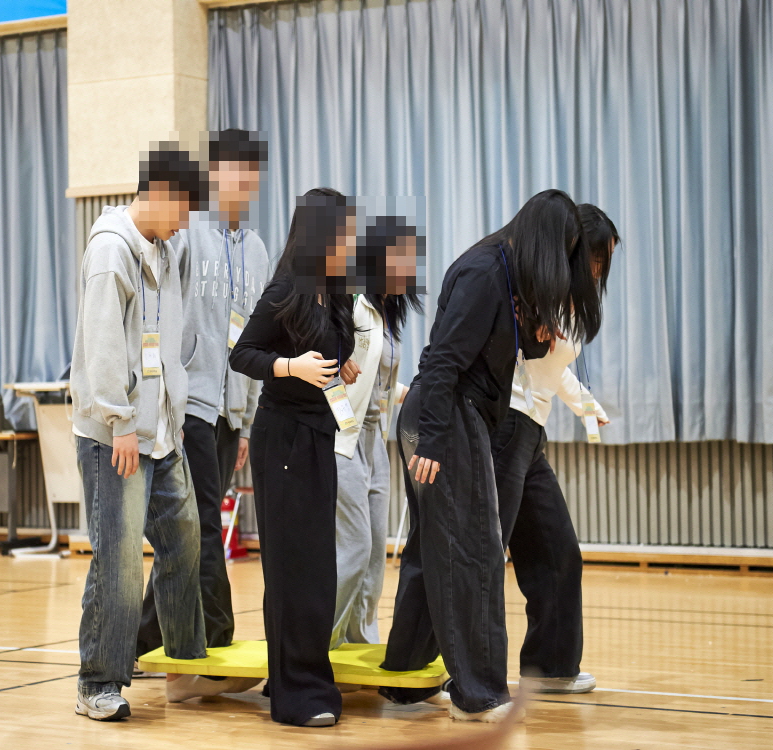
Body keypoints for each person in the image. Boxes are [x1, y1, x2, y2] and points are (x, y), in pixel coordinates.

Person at [379, 189, 603, 723]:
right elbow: (442, 361)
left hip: (466, 416)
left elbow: (507, 351)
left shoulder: (507, 274)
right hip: (445, 415)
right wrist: (434, 440)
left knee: (458, 552)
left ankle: (411, 677)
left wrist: (537, 333)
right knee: (472, 555)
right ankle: (476, 695)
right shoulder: (485, 271)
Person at [69, 143, 210, 721]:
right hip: (116, 436)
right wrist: (121, 421)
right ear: (160, 194)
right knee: (120, 560)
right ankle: (97, 681)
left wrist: (171, 416)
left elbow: (165, 345)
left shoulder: (167, 252)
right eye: (183, 209)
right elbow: (103, 345)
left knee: (185, 539)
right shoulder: (111, 251)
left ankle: (183, 662)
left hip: (162, 432)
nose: (185, 223)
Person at [135, 130, 270, 703]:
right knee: (204, 527)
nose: (243, 183)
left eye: (252, 174)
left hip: (229, 411)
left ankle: (139, 642)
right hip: (189, 404)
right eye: (234, 171)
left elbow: (255, 338)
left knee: (187, 533)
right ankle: (215, 644)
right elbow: (163, 312)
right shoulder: (188, 234)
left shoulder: (259, 251)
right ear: (215, 175)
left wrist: (246, 417)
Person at [228, 188, 359, 727]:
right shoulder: (286, 288)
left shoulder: (335, 291)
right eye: (343, 232)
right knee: (291, 569)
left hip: (318, 436)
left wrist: (340, 365)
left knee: (317, 570)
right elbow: (243, 354)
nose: (350, 242)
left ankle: (305, 678)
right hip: (281, 439)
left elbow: (330, 350)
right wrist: (290, 367)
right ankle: (295, 693)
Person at [491, 203, 618, 695]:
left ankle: (551, 668)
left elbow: (555, 370)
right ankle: (458, 670)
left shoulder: (566, 299)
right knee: (484, 555)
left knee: (558, 550)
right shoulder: (532, 287)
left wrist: (587, 406)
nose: (601, 268)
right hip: (504, 425)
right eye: (598, 256)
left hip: (531, 434)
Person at [332, 216, 423, 651]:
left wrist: (413, 393)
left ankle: (361, 640)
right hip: (344, 437)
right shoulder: (353, 303)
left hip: (377, 440)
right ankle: (318, 645)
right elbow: (329, 361)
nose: (408, 267)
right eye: (400, 257)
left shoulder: (388, 313)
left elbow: (380, 381)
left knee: (374, 553)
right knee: (355, 546)